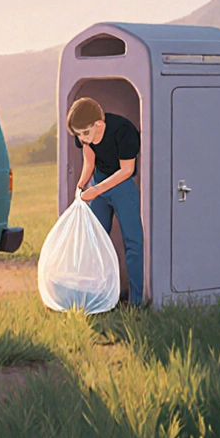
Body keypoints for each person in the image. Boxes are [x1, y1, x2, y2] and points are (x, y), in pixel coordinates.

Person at [66, 97, 144, 306]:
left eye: (85, 133)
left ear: (98, 124)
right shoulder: (84, 136)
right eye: (78, 135)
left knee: (133, 241)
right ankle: (97, 295)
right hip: (99, 179)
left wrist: (96, 190)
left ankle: (137, 300)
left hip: (122, 185)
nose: (82, 139)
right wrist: (82, 184)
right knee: (94, 239)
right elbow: (89, 160)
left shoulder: (123, 131)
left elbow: (127, 170)